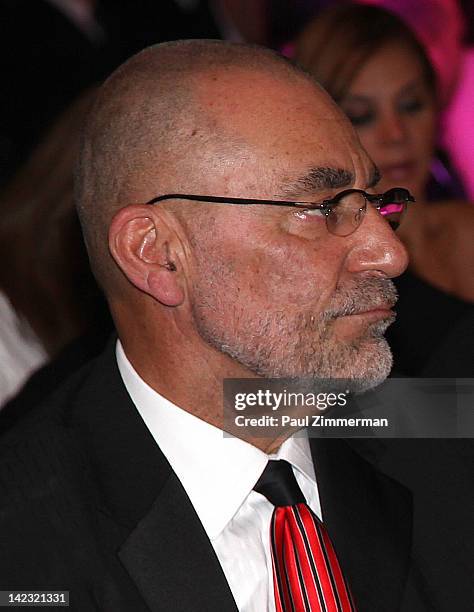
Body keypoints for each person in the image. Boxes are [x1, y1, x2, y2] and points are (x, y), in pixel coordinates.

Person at [0, 40, 472, 611]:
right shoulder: (27, 535)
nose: (387, 253)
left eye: (376, 203)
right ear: (157, 252)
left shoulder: (438, 442)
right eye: (323, 208)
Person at [294, 3, 474, 375]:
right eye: (362, 115)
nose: (396, 134)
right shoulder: (317, 272)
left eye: (411, 106)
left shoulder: (466, 224)